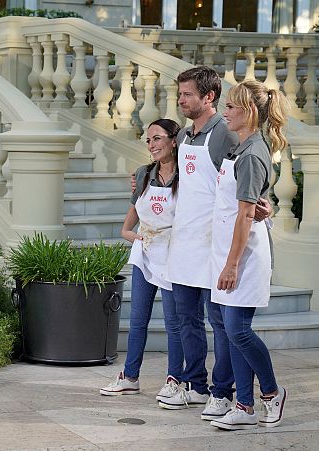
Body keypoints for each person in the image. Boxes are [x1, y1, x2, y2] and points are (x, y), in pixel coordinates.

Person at [145, 67, 271, 422]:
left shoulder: (225, 136)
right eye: (180, 94)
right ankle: (195, 383)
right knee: (186, 318)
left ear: (208, 97)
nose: (181, 100)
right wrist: (143, 178)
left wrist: (264, 204)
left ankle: (223, 391)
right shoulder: (184, 134)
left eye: (186, 95)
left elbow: (245, 185)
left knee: (222, 324)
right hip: (185, 239)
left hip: (214, 244)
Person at [208, 80, 288, 430]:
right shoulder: (240, 148)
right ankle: (244, 405)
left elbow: (244, 215)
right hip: (227, 248)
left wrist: (231, 264)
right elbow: (246, 205)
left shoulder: (253, 154)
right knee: (229, 327)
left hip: (244, 254)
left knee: (238, 330)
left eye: (231, 106)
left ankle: (270, 393)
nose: (224, 111)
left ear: (249, 112)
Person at [100, 119, 185, 401]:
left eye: (157, 138)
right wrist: (131, 235)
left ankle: (175, 379)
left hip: (174, 255)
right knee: (138, 320)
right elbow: (129, 223)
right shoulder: (143, 173)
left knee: (174, 322)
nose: (152, 145)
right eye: (148, 140)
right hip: (146, 254)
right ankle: (130, 377)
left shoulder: (187, 175)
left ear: (174, 140)